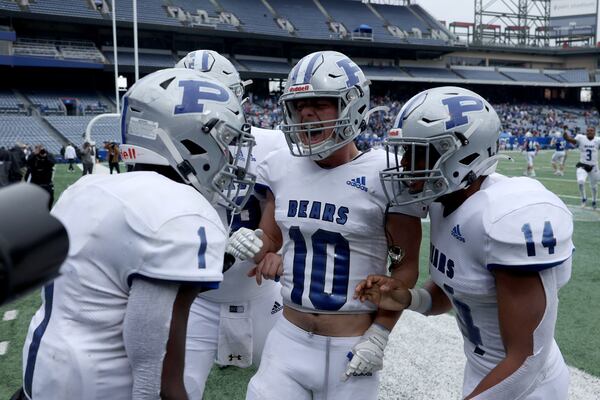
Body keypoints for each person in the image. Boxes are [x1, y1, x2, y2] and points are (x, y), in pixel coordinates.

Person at [18, 68, 257, 400]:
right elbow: (152, 348)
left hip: (42, 372)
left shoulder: (86, 187)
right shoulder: (183, 208)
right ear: (191, 139)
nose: (229, 155)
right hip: (102, 386)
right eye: (225, 141)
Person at [227, 51, 425, 400]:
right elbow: (272, 237)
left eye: (320, 102)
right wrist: (254, 242)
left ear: (352, 105)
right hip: (287, 338)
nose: (306, 113)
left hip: (351, 343)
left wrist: (380, 333)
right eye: (299, 104)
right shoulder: (282, 166)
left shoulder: (385, 175)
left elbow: (405, 266)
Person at [361, 86, 573, 399]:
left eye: (418, 153)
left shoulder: (504, 215)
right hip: (483, 373)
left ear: (463, 155)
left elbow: (527, 359)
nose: (406, 165)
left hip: (529, 387)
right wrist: (409, 299)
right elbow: (456, 290)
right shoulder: (443, 200)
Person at [176, 49, 286, 399]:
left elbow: (304, 211)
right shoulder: (165, 153)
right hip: (197, 301)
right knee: (174, 388)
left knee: (292, 385)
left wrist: (279, 248)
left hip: (265, 294)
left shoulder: (274, 145)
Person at [563, 126, 600, 210]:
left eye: (591, 131)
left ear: (594, 132)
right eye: (588, 131)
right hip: (582, 165)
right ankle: (583, 199)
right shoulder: (580, 138)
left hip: (594, 166)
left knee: (594, 186)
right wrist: (565, 131)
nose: (589, 132)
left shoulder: (598, 140)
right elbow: (568, 139)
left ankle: (594, 200)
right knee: (580, 181)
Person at [25, 145, 56, 210]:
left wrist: (45, 156)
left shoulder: (48, 155)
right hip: (35, 184)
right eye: (38, 150)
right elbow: (28, 163)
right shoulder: (33, 156)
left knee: (49, 202)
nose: (40, 152)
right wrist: (34, 154)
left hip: (47, 184)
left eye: (41, 150)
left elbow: (52, 163)